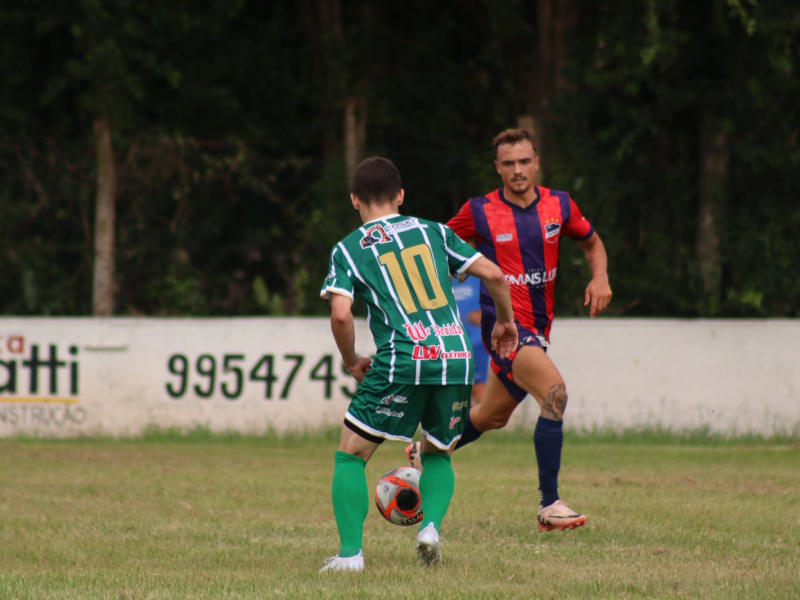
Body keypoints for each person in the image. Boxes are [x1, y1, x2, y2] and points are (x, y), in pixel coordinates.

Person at [407, 129, 612, 532]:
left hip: (539, 328)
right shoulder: (479, 210)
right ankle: (550, 503)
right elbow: (438, 246)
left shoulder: (561, 205)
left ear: (536, 162)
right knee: (555, 393)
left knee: (490, 416)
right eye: (508, 163)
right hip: (505, 330)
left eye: (524, 162)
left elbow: (591, 242)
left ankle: (423, 448)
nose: (517, 170)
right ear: (497, 168)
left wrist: (600, 277)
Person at [319, 157, 517, 572]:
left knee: (351, 455)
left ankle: (351, 555)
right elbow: (496, 276)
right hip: (457, 357)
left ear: (355, 199)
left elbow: (340, 315)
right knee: (438, 452)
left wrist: (352, 360)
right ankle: (429, 528)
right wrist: (505, 322)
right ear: (401, 195)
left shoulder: (349, 248)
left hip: (404, 358)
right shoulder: (435, 232)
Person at [451, 275, 490, 404]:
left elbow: (502, 295)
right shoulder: (436, 278)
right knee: (453, 389)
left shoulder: (477, 275)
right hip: (449, 343)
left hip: (475, 340)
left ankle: (483, 423)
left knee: (477, 387)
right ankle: (457, 422)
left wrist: (486, 314)